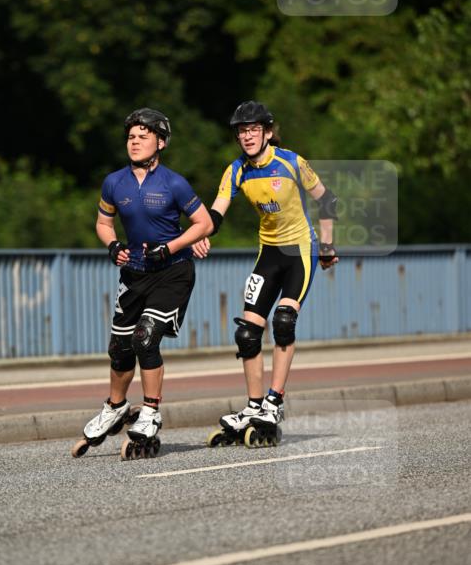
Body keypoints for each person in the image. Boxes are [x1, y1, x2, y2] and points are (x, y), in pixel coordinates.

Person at [194, 100, 338, 441]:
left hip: (300, 250)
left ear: (268, 133)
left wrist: (328, 246)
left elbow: (327, 199)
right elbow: (216, 213)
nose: (247, 136)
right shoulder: (236, 171)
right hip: (269, 253)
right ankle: (254, 405)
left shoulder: (291, 162)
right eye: (242, 131)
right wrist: (198, 236)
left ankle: (275, 401)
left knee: (284, 322)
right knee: (247, 333)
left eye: (253, 130)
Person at [79, 108, 213, 458]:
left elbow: (203, 223)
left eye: (143, 136)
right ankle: (116, 406)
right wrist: (113, 247)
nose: (134, 142)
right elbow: (104, 223)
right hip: (134, 274)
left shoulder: (174, 183)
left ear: (161, 142)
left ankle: (151, 411)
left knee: (145, 337)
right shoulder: (114, 182)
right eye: (130, 136)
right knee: (119, 349)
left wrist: (171, 246)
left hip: (173, 272)